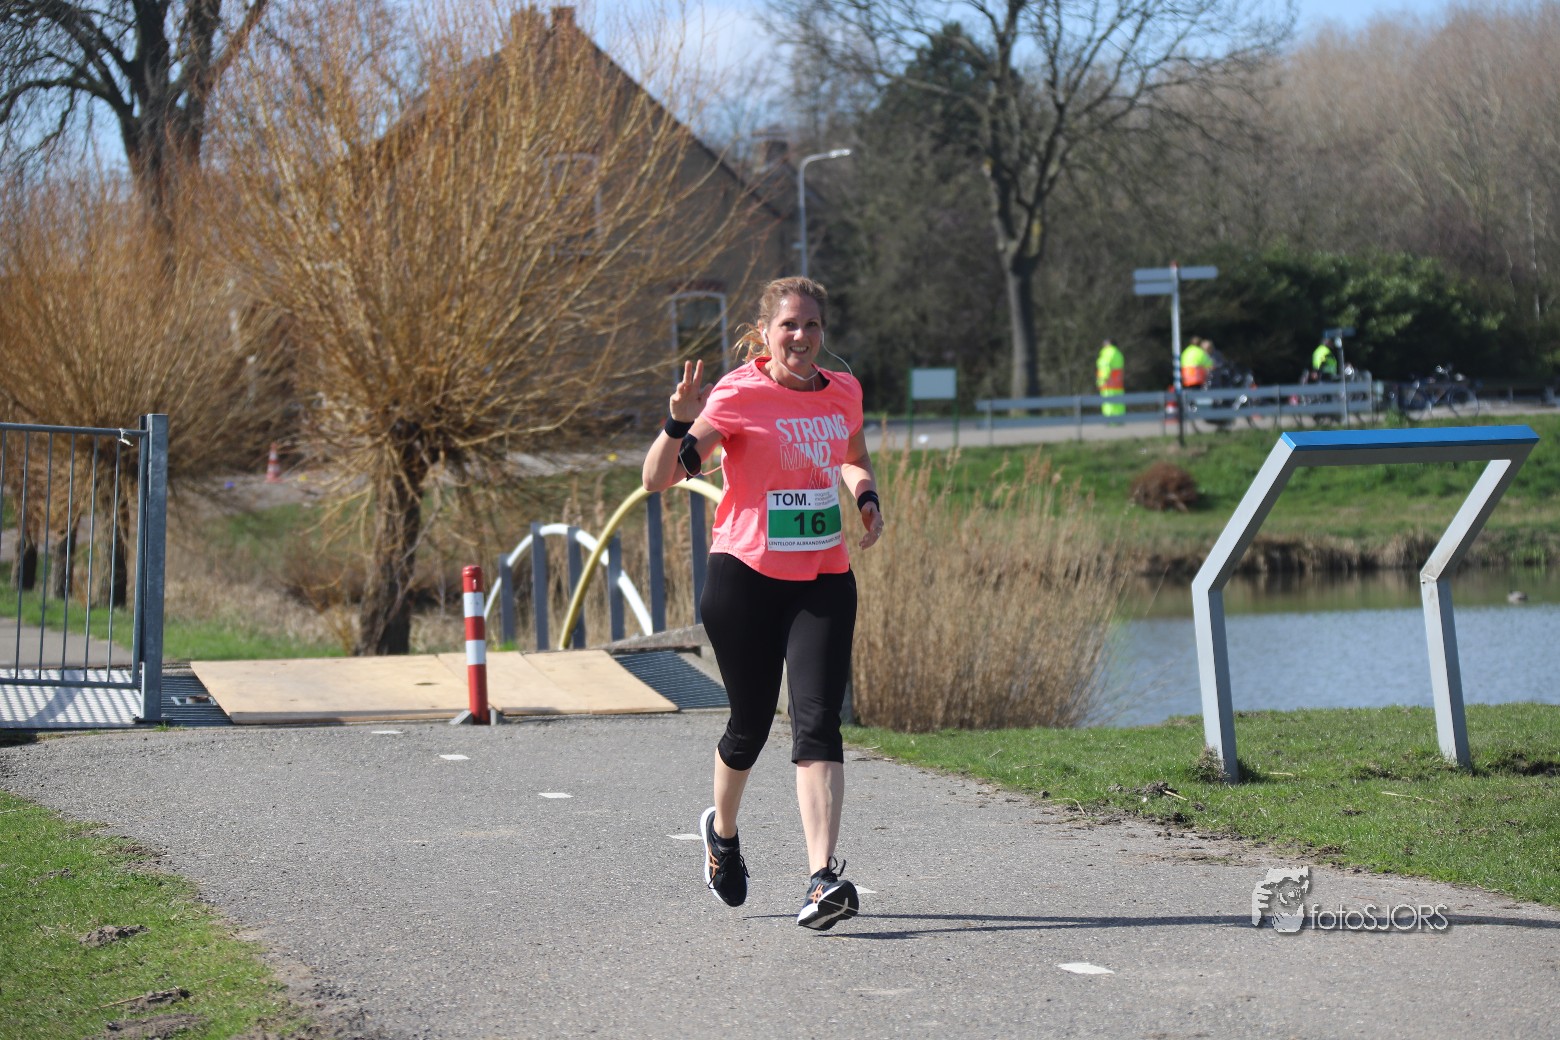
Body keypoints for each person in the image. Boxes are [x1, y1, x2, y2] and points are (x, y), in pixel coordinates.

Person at [641, 275, 884, 931]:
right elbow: (659, 477)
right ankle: (722, 836)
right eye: (788, 326)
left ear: (823, 331)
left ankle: (822, 878)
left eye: (811, 325)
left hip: (824, 577)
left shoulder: (844, 391)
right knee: (749, 725)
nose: (801, 336)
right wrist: (677, 419)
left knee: (818, 722)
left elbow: (853, 455)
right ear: (765, 333)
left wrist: (865, 497)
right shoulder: (738, 394)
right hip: (745, 578)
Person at [1096, 339, 1125, 419]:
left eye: (1104, 343)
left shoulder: (1107, 352)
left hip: (1108, 383)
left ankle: (1109, 420)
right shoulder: (1118, 353)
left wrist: (1103, 380)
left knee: (1108, 402)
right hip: (1117, 383)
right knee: (1118, 402)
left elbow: (1105, 367)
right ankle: (1119, 419)